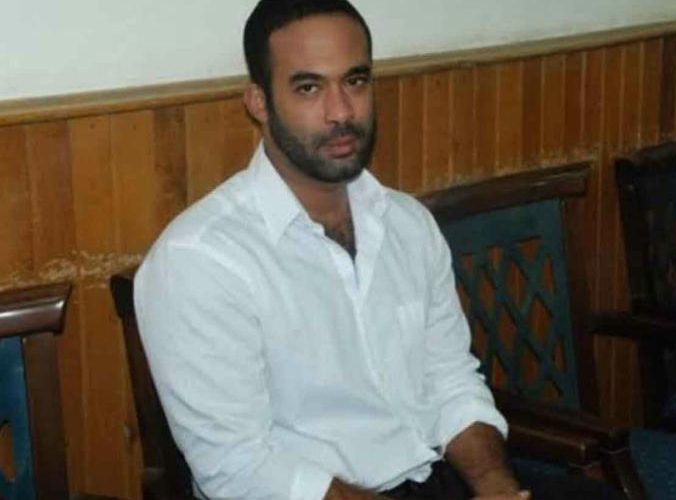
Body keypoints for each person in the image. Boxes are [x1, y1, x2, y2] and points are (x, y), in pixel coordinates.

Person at [134, 1, 621, 499]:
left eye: (355, 81)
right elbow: (237, 468)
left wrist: (495, 485)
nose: (342, 112)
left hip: (437, 478)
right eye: (309, 87)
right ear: (258, 102)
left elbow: (450, 380)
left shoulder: (407, 223)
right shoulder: (200, 259)